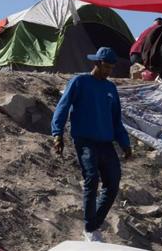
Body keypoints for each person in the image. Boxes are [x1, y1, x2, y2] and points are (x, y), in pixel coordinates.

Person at [51, 46, 133, 242]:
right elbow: (63, 106)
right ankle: (89, 228)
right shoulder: (80, 82)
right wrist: (57, 134)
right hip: (85, 140)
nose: (109, 71)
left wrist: (125, 143)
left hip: (106, 142)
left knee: (113, 183)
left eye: (111, 68)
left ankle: (94, 223)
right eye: (106, 67)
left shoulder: (110, 88)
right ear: (96, 63)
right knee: (92, 179)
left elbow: (116, 120)